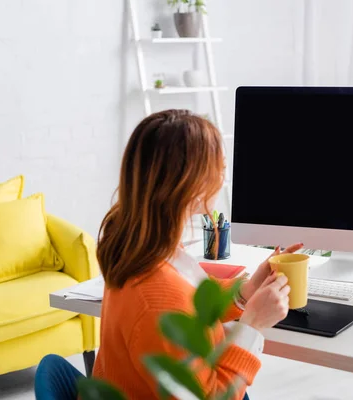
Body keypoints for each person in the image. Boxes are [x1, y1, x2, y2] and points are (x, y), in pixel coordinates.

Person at [93, 109, 303, 399]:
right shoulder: (155, 299)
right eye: (218, 169)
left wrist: (246, 291)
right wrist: (252, 324)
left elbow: (188, 300)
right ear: (191, 187)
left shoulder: (138, 250)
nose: (222, 177)